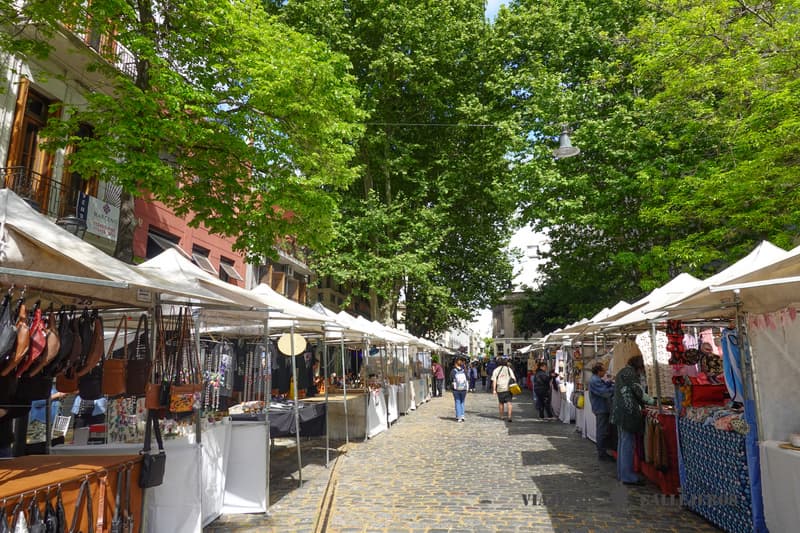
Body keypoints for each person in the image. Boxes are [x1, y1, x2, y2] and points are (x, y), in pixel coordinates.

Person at [611, 355, 656, 485]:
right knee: (627, 445)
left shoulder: (623, 371)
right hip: (627, 412)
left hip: (620, 412)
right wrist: (653, 401)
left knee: (623, 443)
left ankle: (622, 473)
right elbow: (639, 392)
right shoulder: (630, 373)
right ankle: (627, 476)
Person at [589, 362, 615, 461]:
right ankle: (602, 453)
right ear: (599, 371)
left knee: (603, 430)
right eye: (603, 370)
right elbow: (605, 393)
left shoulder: (597, 379)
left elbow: (604, 387)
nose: (605, 372)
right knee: (602, 431)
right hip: (601, 408)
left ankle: (603, 451)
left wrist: (608, 383)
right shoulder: (595, 380)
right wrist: (614, 387)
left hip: (602, 408)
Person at [491, 357, 516, 422]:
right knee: (509, 402)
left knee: (501, 403)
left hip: (500, 388)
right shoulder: (508, 369)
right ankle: (509, 416)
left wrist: (494, 390)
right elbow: (514, 378)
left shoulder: (496, 370)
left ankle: (502, 416)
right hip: (508, 388)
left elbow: (494, 381)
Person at [450, 356, 469, 421]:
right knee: (462, 402)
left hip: (456, 389)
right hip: (463, 389)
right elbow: (467, 378)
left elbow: (451, 379)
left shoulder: (453, 371)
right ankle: (462, 415)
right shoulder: (464, 371)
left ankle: (458, 417)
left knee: (457, 401)